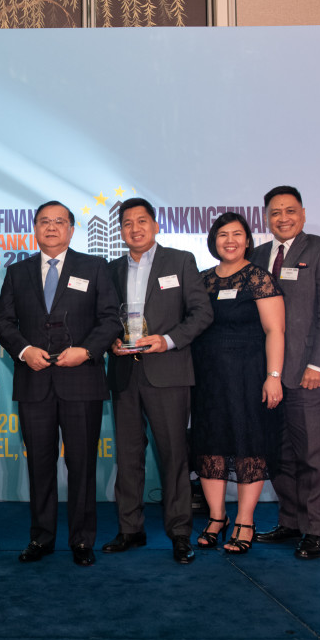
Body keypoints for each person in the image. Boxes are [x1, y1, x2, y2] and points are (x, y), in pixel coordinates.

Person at [0, 201, 120, 567]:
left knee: (82, 465)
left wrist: (87, 351)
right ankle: (41, 538)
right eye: (44, 222)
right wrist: (23, 350)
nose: (51, 228)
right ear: (34, 229)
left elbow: (110, 320)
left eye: (59, 222)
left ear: (71, 229)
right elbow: (3, 322)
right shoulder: (17, 272)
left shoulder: (94, 267)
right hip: (34, 381)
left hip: (81, 381)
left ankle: (82, 541)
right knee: (40, 466)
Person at [105, 197, 213, 565]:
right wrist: (111, 341)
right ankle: (129, 529)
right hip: (124, 374)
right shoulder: (112, 269)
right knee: (128, 456)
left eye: (141, 221)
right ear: (120, 230)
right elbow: (104, 318)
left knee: (173, 457)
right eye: (127, 224)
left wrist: (166, 341)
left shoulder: (180, 261)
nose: (134, 229)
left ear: (155, 225)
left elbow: (202, 313)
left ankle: (180, 533)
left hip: (167, 372)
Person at [250, 185, 320, 560]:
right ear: (266, 218)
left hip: (309, 375)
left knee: (310, 457)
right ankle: (290, 521)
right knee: (279, 457)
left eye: (290, 211)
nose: (283, 218)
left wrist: (318, 364)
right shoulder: (258, 255)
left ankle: (314, 530)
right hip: (267, 376)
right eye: (275, 213)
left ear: (303, 214)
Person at [190, 212, 285, 554]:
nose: (229, 240)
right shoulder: (201, 280)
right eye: (222, 234)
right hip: (207, 379)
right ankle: (217, 517)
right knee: (209, 446)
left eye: (237, 234)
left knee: (248, 447)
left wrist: (273, 377)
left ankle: (245, 520)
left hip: (248, 376)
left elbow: (276, 330)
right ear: (213, 241)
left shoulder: (259, 277)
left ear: (247, 240)